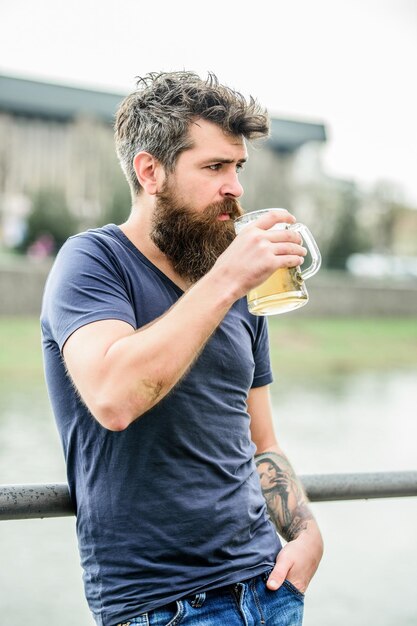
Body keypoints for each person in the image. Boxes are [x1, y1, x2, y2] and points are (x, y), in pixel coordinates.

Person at [41, 71, 323, 626]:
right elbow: (113, 398)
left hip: (269, 588)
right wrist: (226, 281)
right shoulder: (92, 262)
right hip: (165, 607)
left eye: (237, 167)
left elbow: (261, 439)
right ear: (151, 171)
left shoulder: (241, 282)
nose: (235, 187)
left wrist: (307, 534)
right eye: (214, 166)